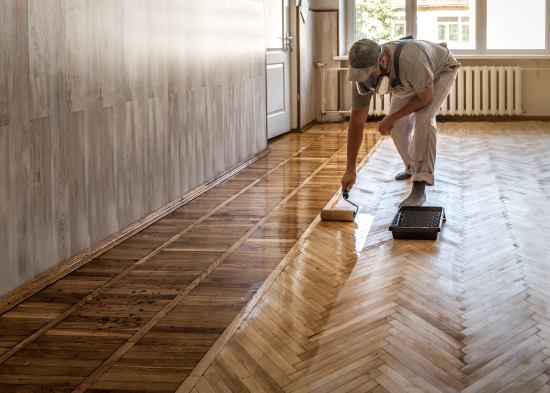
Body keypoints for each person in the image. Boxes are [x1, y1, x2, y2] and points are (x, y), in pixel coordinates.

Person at [341, 37, 460, 206]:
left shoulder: (411, 60)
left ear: (382, 60)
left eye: (369, 74)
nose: (365, 80)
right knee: (396, 127)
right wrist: (350, 168)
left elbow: (425, 98)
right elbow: (357, 123)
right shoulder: (360, 76)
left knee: (424, 117)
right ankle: (412, 167)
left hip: (440, 70)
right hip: (408, 80)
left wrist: (392, 116)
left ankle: (420, 185)